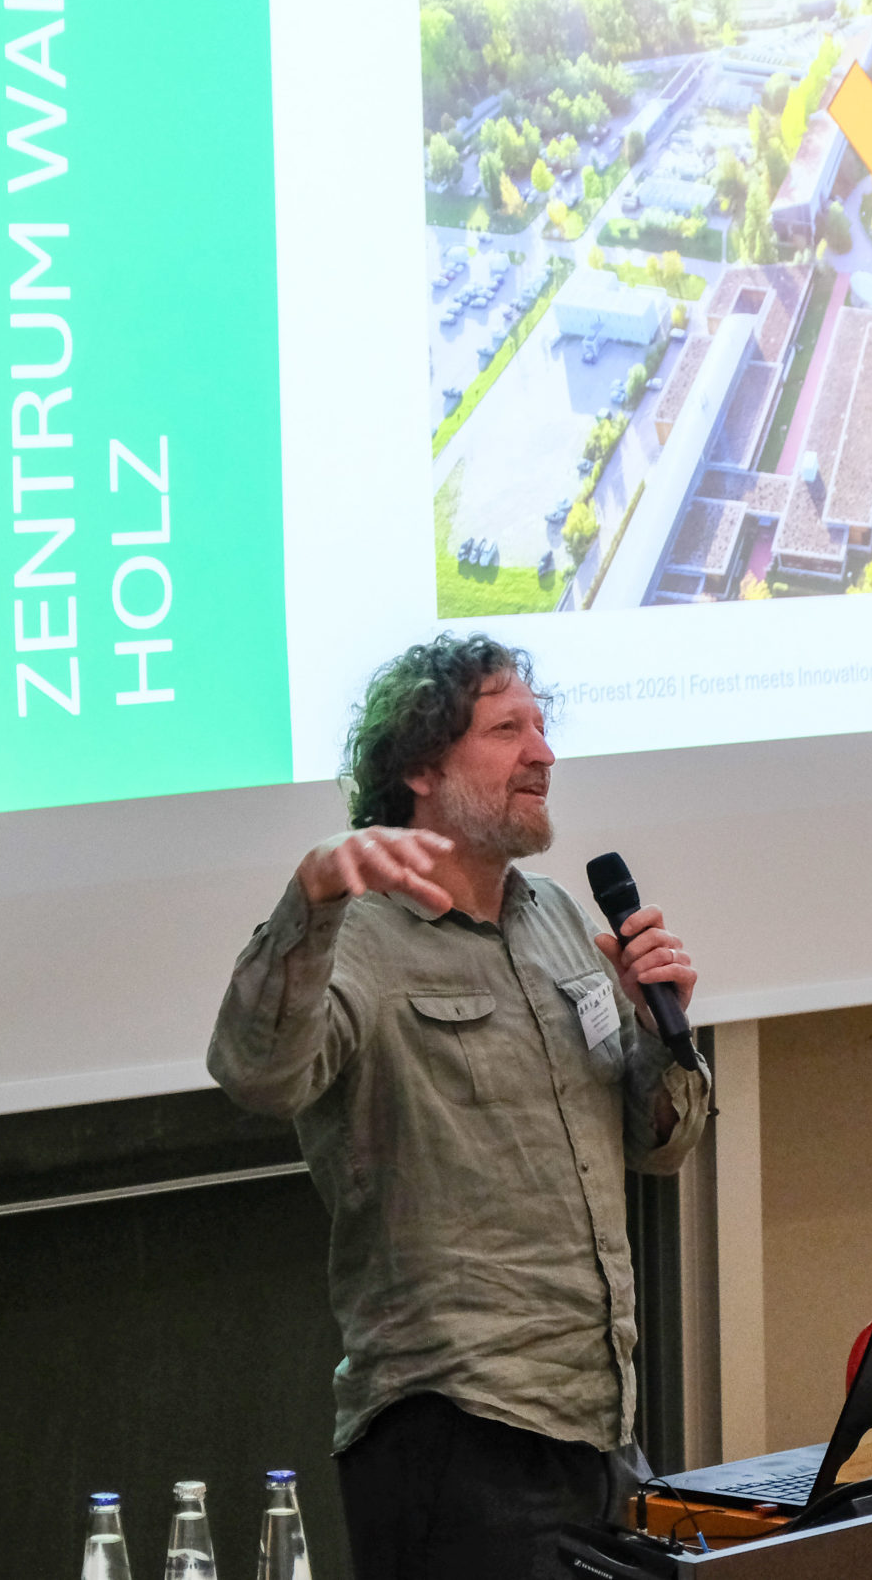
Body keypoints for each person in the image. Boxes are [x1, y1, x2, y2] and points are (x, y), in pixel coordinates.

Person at [208, 634, 712, 1580]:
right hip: (453, 1433)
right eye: (507, 729)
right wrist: (310, 900)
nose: (543, 754)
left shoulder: (558, 917)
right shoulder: (357, 938)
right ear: (420, 767)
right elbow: (257, 1074)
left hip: (600, 1423)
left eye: (542, 727)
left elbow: (657, 1146)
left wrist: (658, 1034)